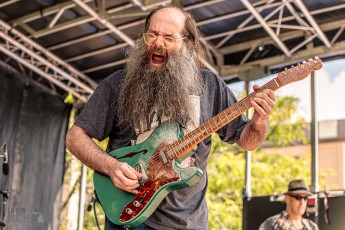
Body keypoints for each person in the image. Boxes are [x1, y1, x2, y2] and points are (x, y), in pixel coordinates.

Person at [66, 5, 276, 230]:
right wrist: (111, 167)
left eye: (168, 37)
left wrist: (259, 121)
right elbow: (75, 137)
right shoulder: (117, 84)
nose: (158, 43)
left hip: (188, 223)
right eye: (152, 34)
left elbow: (247, 141)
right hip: (128, 215)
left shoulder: (211, 87)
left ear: (187, 44)